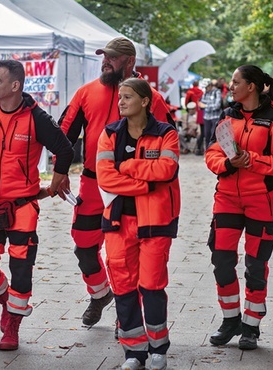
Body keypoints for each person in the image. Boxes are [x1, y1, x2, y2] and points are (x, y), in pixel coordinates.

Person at [0, 59, 73, 351]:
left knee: (22, 268)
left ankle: (13, 325)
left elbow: (65, 149)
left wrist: (56, 183)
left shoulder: (36, 118)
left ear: (15, 86)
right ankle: (6, 299)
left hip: (23, 207)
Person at [57, 37, 173, 328]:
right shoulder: (86, 92)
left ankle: (128, 319)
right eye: (104, 57)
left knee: (127, 254)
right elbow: (64, 137)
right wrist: (59, 173)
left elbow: (169, 140)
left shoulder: (152, 98)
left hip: (135, 189)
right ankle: (99, 293)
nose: (105, 61)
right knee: (83, 245)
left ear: (129, 61)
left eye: (112, 57)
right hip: (92, 183)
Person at [205, 65, 273, 350]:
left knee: (256, 266)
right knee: (221, 262)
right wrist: (228, 164)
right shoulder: (226, 116)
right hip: (227, 199)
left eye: (236, 82)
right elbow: (212, 153)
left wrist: (253, 160)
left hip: (262, 202)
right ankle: (230, 319)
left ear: (251, 87)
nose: (231, 87)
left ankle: (251, 325)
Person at [96, 78, 180, 370]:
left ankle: (158, 348)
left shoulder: (166, 133)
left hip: (156, 221)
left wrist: (128, 167)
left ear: (145, 101)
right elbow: (105, 178)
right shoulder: (109, 134)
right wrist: (145, 184)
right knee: (124, 287)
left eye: (127, 97)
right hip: (118, 222)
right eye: (120, 97)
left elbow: (167, 169)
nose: (120, 102)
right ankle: (134, 353)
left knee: (152, 285)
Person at [197, 79, 223, 153]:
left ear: (210, 85)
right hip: (207, 117)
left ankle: (215, 152)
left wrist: (205, 106)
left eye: (206, 87)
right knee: (207, 135)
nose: (205, 89)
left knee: (214, 135)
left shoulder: (217, 92)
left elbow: (217, 106)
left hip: (215, 117)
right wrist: (201, 105)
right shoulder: (205, 93)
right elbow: (201, 103)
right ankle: (208, 152)